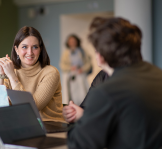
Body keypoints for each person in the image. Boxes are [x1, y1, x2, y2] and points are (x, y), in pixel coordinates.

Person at [67, 17, 162, 149]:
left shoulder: (106, 92)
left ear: (100, 55)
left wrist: (81, 121)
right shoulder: (158, 75)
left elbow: (78, 144)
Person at [0, 26, 65, 122]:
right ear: (16, 50)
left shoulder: (51, 72)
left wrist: (12, 76)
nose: (30, 52)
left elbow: (31, 108)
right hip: (23, 125)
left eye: (35, 47)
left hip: (50, 127)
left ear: (40, 49)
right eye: (24, 47)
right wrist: (1, 74)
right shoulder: (12, 71)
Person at [60, 34, 92, 105]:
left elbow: (88, 63)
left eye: (74, 41)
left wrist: (82, 69)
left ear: (77, 41)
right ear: (68, 43)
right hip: (71, 77)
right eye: (70, 41)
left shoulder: (82, 51)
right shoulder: (66, 53)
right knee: (72, 94)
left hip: (81, 75)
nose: (72, 43)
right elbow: (62, 65)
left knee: (83, 93)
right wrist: (70, 68)